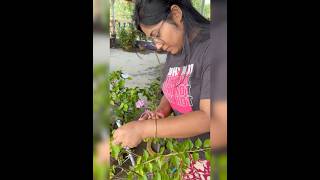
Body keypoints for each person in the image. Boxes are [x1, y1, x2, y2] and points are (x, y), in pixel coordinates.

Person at [113, 0, 211, 179]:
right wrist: (160, 112)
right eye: (152, 38)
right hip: (185, 151)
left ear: (176, 14)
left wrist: (145, 129)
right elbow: (170, 89)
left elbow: (209, 117)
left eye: (157, 34)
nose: (157, 45)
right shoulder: (175, 50)